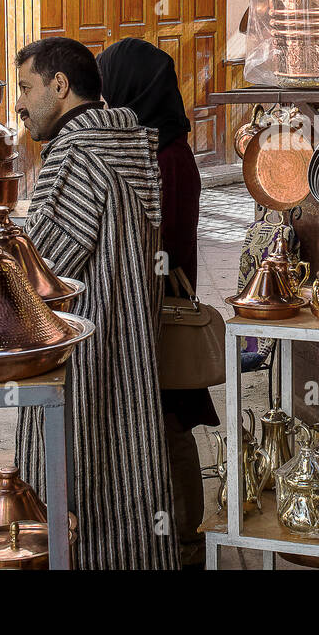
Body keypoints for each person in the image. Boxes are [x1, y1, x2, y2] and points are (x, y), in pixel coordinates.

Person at [13, 36, 178, 570]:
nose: (18, 103)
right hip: (130, 344)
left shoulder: (77, 155)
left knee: (71, 477)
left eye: (24, 88)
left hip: (78, 355)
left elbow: (44, 272)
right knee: (127, 472)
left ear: (59, 87)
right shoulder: (127, 142)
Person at [96, 37, 217, 569]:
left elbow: (156, 239)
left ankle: (186, 536)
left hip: (158, 306)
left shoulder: (163, 155)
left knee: (167, 421)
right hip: (153, 300)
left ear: (132, 89)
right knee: (165, 419)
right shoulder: (162, 145)